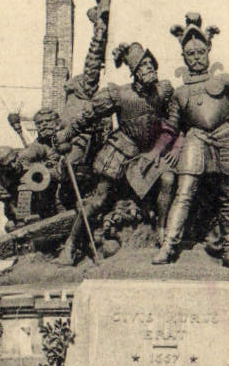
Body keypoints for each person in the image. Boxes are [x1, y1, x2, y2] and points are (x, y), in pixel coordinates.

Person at [151, 14, 229, 269]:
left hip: (225, 138)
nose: (195, 57)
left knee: (228, 197)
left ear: (208, 52)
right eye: (190, 53)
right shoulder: (180, 93)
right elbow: (171, 126)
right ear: (183, 57)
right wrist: (158, 149)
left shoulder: (222, 81)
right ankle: (168, 246)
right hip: (195, 138)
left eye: (200, 52)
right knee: (184, 194)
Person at [55, 41, 178, 265]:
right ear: (134, 73)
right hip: (121, 150)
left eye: (151, 64)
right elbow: (89, 115)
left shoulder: (164, 91)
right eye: (143, 66)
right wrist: (69, 132)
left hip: (149, 152)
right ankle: (70, 247)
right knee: (98, 200)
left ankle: (162, 230)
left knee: (168, 179)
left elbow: (175, 121)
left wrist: (170, 147)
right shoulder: (119, 94)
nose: (150, 68)